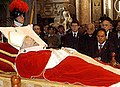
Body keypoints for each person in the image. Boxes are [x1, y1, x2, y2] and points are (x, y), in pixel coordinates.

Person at [0, 0, 29, 72]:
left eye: (23, 15)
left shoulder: (27, 29)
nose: (23, 18)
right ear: (15, 17)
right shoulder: (9, 30)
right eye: (20, 15)